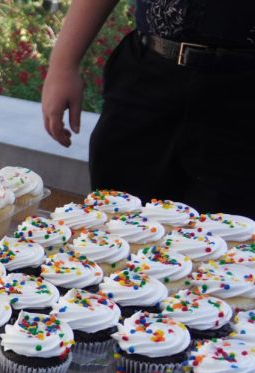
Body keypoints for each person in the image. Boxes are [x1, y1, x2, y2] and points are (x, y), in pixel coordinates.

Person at [42, 1, 255, 216]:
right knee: (115, 227)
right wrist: (63, 64)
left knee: (232, 239)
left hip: (243, 99)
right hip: (146, 77)